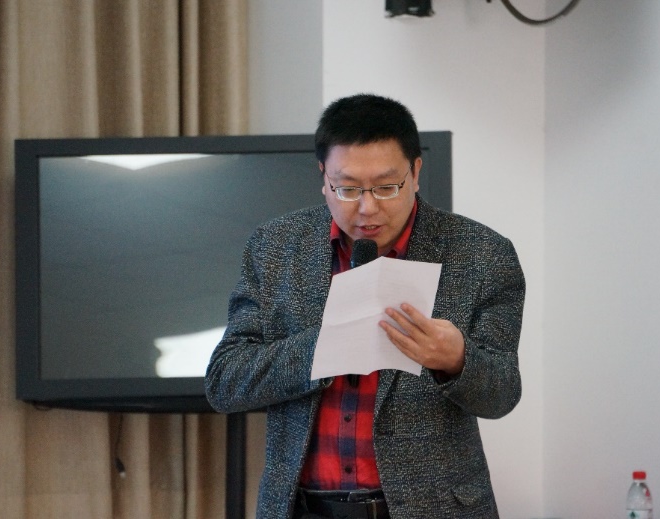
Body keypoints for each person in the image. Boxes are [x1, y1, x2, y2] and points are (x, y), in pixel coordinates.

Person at [205, 93, 525, 519]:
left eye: (387, 187)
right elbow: (225, 382)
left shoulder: (482, 254)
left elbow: (503, 393)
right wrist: (325, 347)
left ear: (415, 172)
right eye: (348, 188)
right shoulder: (276, 246)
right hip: (302, 508)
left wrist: (456, 360)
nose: (367, 207)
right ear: (323, 176)